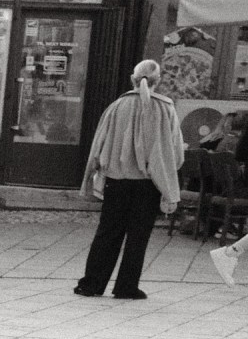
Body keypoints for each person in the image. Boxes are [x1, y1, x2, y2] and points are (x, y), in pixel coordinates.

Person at [70, 60, 183, 300]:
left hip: (117, 180)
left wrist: (92, 175)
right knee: (138, 237)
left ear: (133, 79)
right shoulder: (166, 109)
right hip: (148, 184)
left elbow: (98, 145)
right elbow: (174, 153)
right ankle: (126, 286)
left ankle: (92, 284)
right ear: (157, 81)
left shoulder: (116, 106)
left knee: (107, 233)